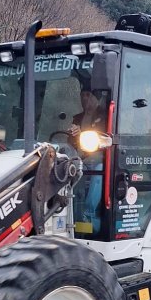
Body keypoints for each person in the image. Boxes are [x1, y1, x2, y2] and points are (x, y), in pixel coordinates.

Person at [69, 89, 107, 233]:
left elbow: (105, 137)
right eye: (82, 95)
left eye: (88, 95)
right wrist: (72, 135)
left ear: (96, 98)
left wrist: (82, 134)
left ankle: (88, 214)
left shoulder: (105, 117)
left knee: (99, 169)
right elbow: (70, 142)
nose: (84, 99)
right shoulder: (77, 118)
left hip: (100, 158)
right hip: (81, 158)